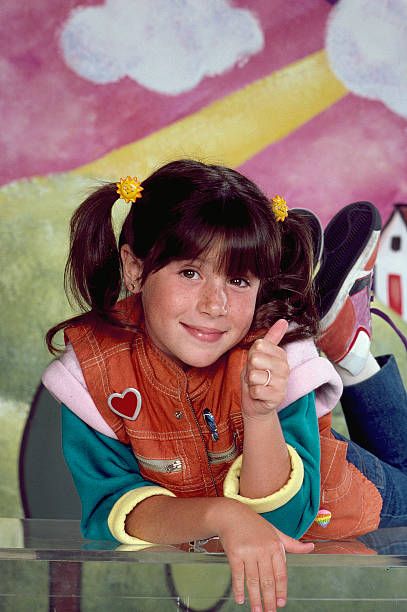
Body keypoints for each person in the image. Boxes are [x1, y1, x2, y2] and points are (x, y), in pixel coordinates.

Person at [42, 160, 406, 611]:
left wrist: (260, 414)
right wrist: (222, 514)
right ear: (134, 269)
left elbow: (285, 522)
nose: (215, 305)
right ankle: (347, 350)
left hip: (339, 492)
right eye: (190, 273)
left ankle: (351, 358)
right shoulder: (92, 374)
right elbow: (113, 510)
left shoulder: (275, 352)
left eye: (238, 280)